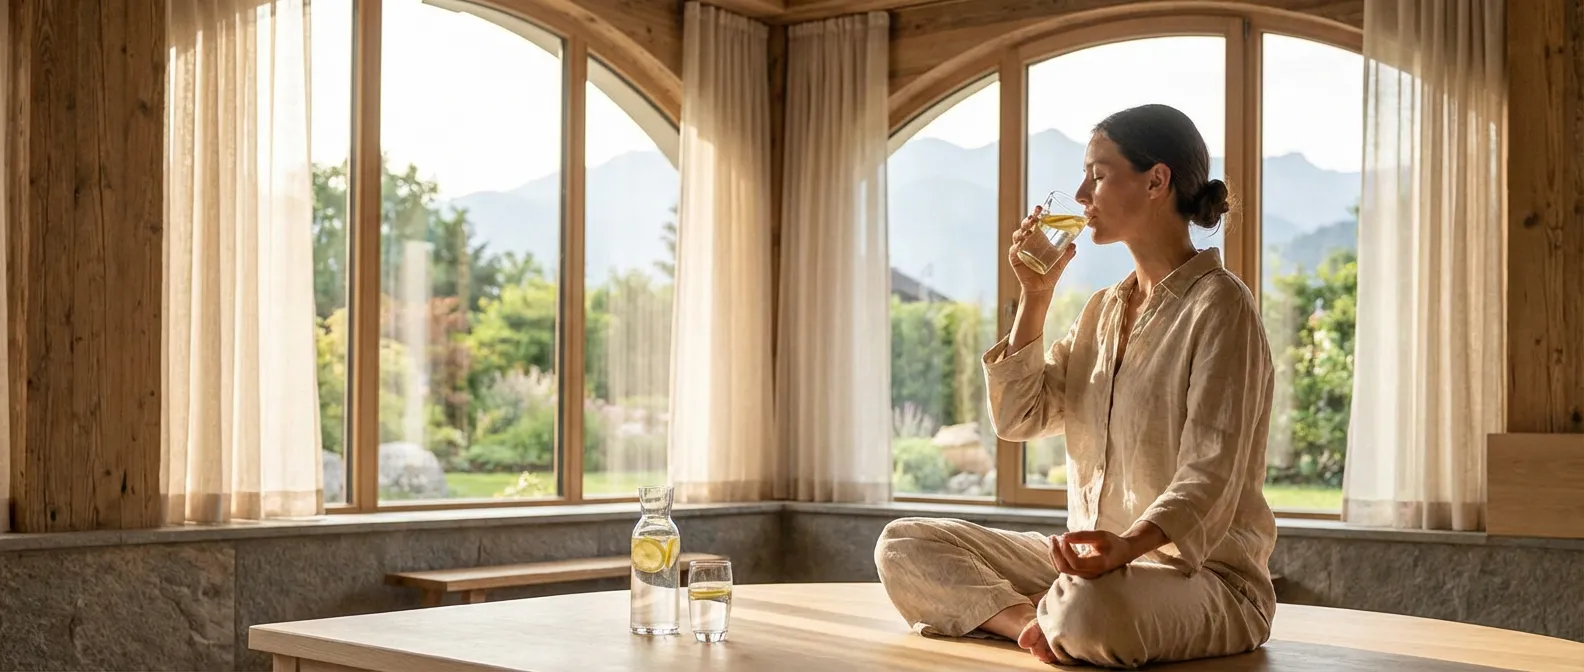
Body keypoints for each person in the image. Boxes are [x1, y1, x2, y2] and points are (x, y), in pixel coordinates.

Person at [873, 103, 1278, 669]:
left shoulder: (1221, 304)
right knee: (904, 543)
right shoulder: (1100, 312)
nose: (1081, 194)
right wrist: (1035, 296)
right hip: (1089, 565)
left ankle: (1063, 617)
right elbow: (1018, 419)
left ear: (1156, 180)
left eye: (1099, 174)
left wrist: (1131, 546)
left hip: (1202, 579)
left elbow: (1210, 470)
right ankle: (1029, 625)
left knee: (1089, 609)